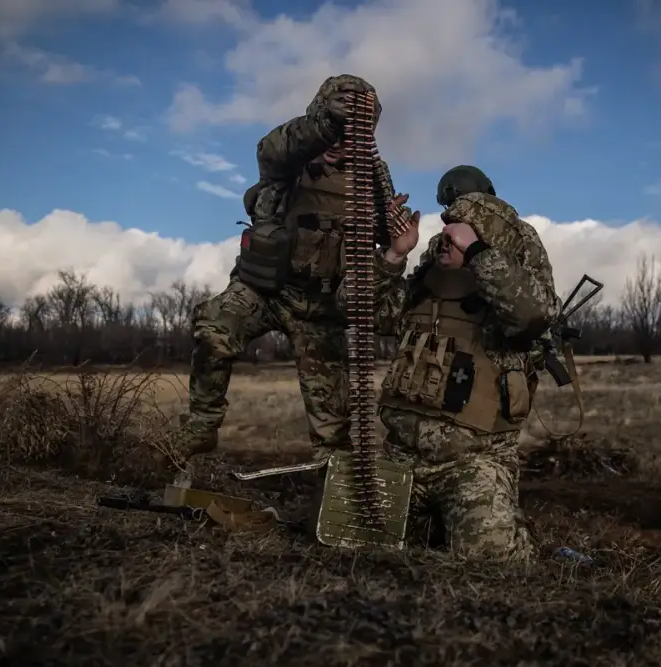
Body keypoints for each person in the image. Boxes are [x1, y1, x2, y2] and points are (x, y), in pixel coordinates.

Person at [171, 74, 409, 474]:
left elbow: (383, 239)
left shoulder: (371, 178)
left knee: (334, 430)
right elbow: (273, 149)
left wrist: (395, 236)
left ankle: (338, 504)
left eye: (352, 133)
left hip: (322, 310)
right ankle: (201, 423)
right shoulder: (291, 159)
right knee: (214, 326)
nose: (340, 142)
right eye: (336, 130)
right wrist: (327, 123)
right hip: (267, 290)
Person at [368, 166, 561, 560]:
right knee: (348, 534)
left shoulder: (516, 248)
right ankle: (432, 521)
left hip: (474, 460)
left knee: (489, 557)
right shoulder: (432, 262)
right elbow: (375, 316)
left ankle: (473, 522)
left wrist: (476, 251)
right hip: (402, 454)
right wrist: (394, 255)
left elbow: (532, 315)